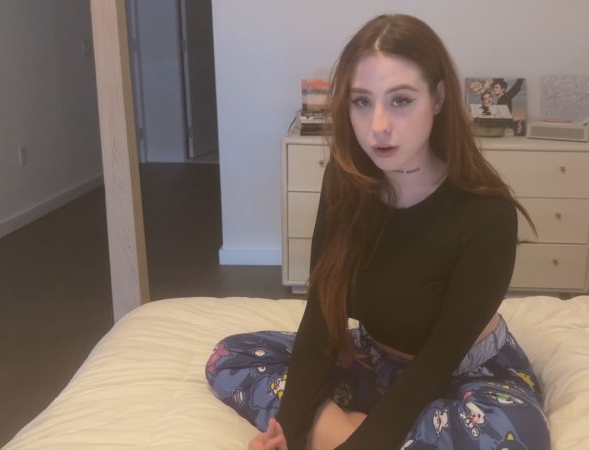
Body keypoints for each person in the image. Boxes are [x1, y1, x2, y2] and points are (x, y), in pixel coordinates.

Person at [206, 14, 550, 450]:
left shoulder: (487, 213)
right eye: (362, 102)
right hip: (372, 361)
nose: (378, 126)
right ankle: (355, 427)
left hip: (459, 374)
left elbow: (437, 362)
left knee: (511, 438)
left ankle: (341, 429)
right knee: (229, 357)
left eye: (401, 100)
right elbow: (322, 316)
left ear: (438, 98)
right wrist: (289, 431)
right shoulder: (344, 181)